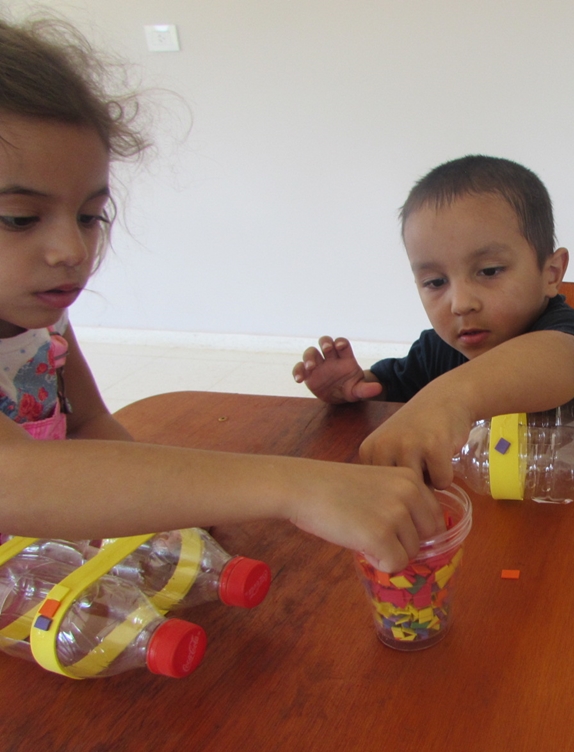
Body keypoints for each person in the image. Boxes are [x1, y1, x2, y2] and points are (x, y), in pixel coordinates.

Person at [0, 16, 442, 574]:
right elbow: (15, 476)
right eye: (19, 218)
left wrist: (174, 507)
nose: (71, 249)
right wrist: (296, 486)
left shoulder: (45, 323)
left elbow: (88, 428)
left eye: (90, 215)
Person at [294, 155, 574, 489]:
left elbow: (561, 359)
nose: (460, 304)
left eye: (489, 271)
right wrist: (353, 390)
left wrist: (450, 398)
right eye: (435, 282)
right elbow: (389, 391)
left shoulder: (564, 331)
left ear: (551, 273)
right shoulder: (436, 350)